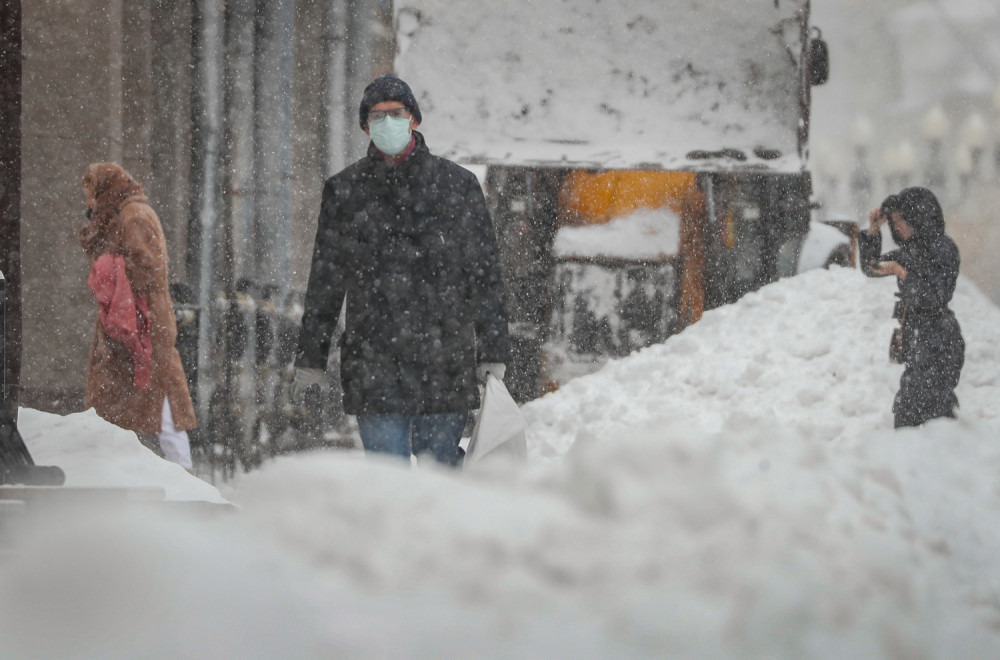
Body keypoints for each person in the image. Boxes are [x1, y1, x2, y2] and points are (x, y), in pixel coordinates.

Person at [292, 74, 509, 466]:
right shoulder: (345, 192)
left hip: (443, 363)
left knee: (437, 475)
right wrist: (311, 357)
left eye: (396, 113)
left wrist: (493, 349)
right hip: (375, 363)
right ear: (365, 126)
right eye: (377, 116)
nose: (387, 122)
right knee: (386, 481)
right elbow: (326, 280)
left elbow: (484, 273)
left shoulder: (456, 187)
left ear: (414, 119)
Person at [79, 162, 197, 469]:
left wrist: (111, 269)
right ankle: (126, 467)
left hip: (142, 323)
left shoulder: (134, 216)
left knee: (159, 397)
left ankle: (181, 471)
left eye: (91, 194)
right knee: (142, 396)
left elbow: (148, 269)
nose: (89, 202)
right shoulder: (121, 215)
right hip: (132, 323)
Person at [859, 186, 964, 428]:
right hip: (917, 339)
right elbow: (871, 267)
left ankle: (939, 454)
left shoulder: (943, 249)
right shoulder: (910, 251)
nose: (897, 228)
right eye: (893, 222)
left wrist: (902, 272)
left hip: (939, 340)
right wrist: (874, 231)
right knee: (913, 409)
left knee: (923, 409)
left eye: (901, 221)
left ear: (918, 218)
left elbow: (936, 296)